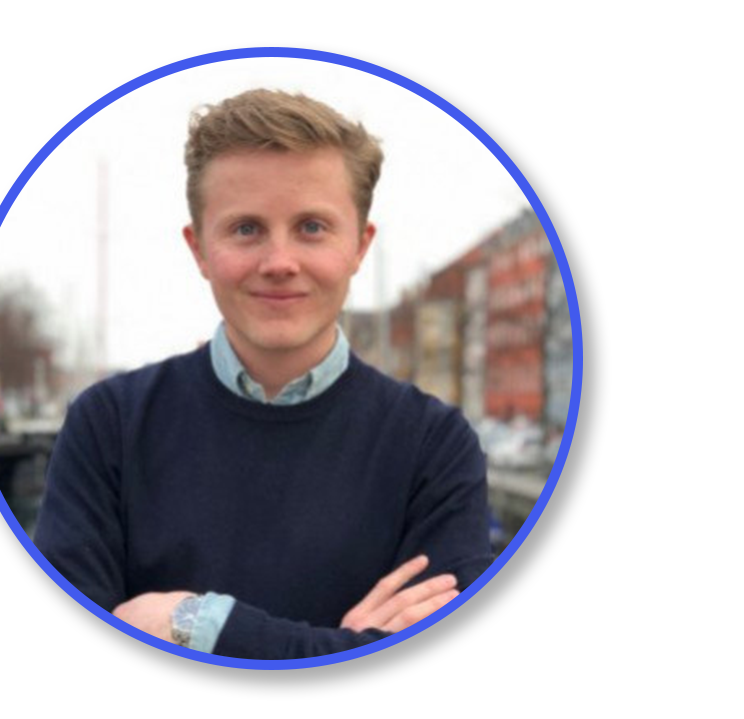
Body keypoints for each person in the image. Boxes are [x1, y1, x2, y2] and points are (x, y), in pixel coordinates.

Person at [33, 89, 492, 660]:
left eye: (312, 227)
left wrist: (195, 624)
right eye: (246, 229)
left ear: (359, 245)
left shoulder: (434, 448)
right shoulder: (109, 428)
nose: (279, 263)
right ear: (199, 249)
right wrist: (346, 647)